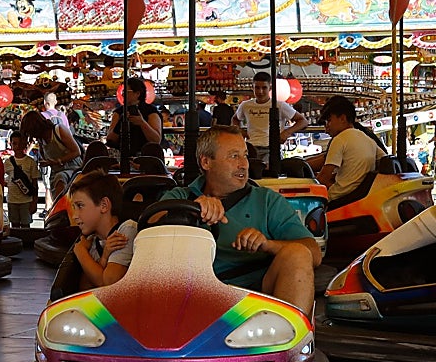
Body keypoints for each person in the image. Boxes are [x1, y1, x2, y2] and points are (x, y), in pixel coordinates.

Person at [162, 125, 320, 314]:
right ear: (206, 162)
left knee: (298, 253)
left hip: (255, 297)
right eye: (234, 156)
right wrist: (195, 208)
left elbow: (314, 254)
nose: (244, 164)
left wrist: (267, 245)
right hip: (190, 294)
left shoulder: (266, 200)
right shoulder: (180, 196)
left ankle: (289, 340)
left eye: (245, 155)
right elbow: (148, 227)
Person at [68, 171, 137, 290]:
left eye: (80, 206)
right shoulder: (92, 241)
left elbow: (109, 282)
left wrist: (80, 252)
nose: (75, 216)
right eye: (74, 208)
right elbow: (85, 288)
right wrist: (104, 257)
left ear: (104, 205)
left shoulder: (126, 230)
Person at [315, 95, 379, 206]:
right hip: (359, 197)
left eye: (329, 121)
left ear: (343, 119)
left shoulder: (340, 139)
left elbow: (322, 178)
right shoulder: (369, 140)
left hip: (337, 199)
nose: (326, 128)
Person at [235, 72, 307, 164]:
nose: (260, 92)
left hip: (271, 148)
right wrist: (239, 130)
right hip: (250, 148)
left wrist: (286, 132)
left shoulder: (279, 105)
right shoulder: (245, 105)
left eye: (264, 88)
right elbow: (235, 119)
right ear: (252, 88)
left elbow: (303, 121)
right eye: (257, 88)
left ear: (270, 88)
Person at [19, 110, 82, 199]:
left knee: (61, 179)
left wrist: (58, 161)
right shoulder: (41, 140)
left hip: (72, 170)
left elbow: (76, 151)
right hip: (55, 173)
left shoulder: (59, 130)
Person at [106, 77, 163, 160]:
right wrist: (121, 122)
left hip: (145, 158)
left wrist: (142, 123)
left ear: (137, 93)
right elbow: (110, 139)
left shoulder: (151, 112)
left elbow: (156, 140)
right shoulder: (118, 113)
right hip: (122, 157)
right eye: (122, 92)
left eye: (125, 92)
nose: (122, 95)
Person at [5, 131, 41, 229]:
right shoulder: (8, 162)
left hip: (26, 201)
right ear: (11, 144)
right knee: (14, 225)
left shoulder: (30, 162)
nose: (18, 146)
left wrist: (34, 202)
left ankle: (26, 244)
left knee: (26, 226)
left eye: (20, 143)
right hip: (12, 200)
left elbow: (35, 183)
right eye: (15, 143)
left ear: (25, 144)